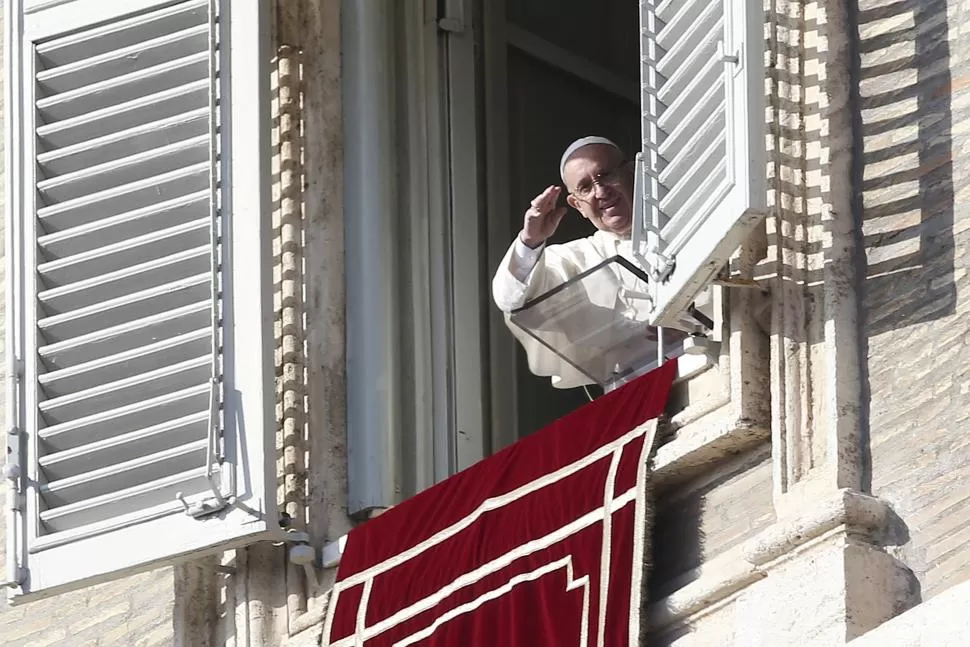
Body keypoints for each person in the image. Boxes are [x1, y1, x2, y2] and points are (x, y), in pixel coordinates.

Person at [492, 136, 693, 389]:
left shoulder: (687, 224)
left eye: (606, 175)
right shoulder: (573, 257)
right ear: (577, 205)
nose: (601, 192)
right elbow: (511, 299)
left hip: (705, 368)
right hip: (634, 392)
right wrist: (530, 241)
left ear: (633, 172)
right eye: (585, 187)